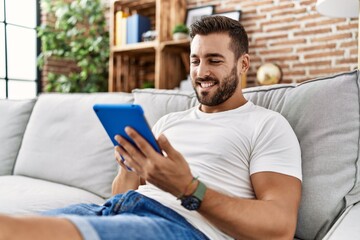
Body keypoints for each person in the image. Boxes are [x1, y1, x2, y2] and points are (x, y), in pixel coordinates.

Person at [0, 16, 302, 240]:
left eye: (214, 60)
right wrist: (128, 167)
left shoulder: (267, 125)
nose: (201, 72)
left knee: (15, 232)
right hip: (119, 211)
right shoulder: (168, 122)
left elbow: (280, 227)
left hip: (184, 228)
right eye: (195, 60)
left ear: (243, 64)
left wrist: (188, 188)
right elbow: (120, 196)